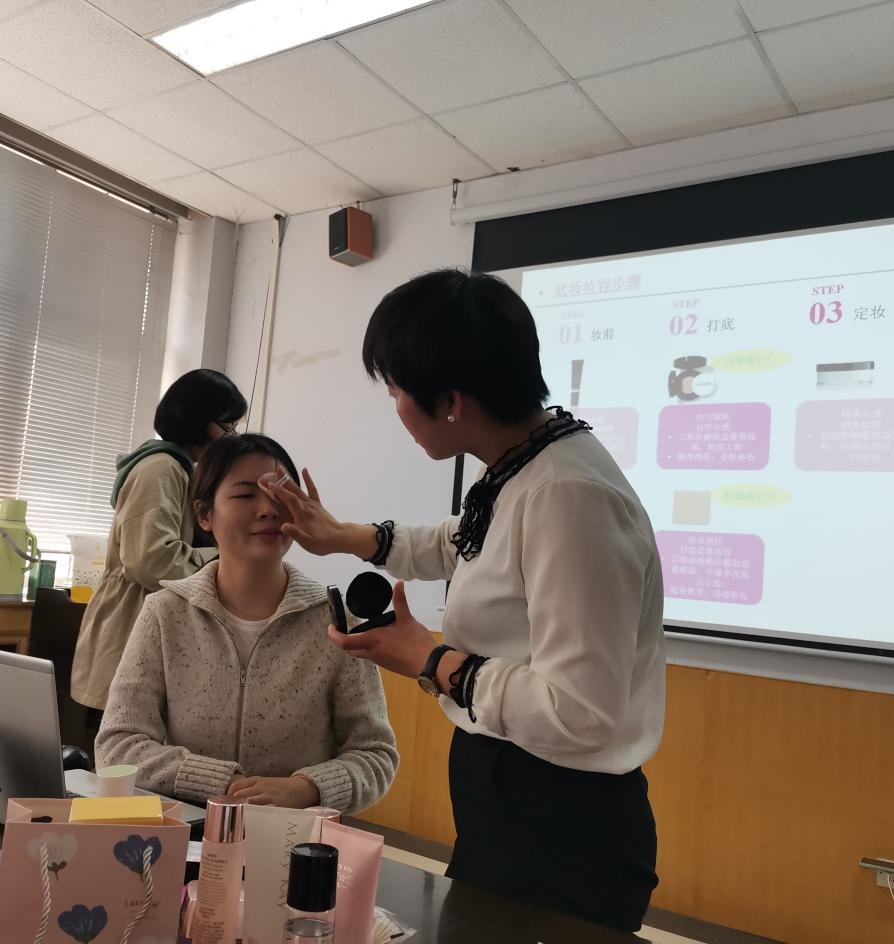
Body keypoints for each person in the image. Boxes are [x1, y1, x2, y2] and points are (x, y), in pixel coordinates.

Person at [259, 269, 665, 932]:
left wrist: (431, 659)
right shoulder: (522, 460)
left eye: (395, 390)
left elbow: (582, 713)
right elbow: (463, 541)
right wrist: (344, 537)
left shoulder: (569, 497)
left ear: (449, 400)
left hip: (561, 823)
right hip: (511, 795)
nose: (394, 406)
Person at [95, 433, 398, 813]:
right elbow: (118, 745)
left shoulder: (336, 621)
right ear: (204, 515)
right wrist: (222, 783)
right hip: (184, 831)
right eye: (245, 495)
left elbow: (375, 754)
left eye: (280, 494)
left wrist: (308, 788)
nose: (268, 509)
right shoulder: (164, 612)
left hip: (293, 836)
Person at [71, 369, 246, 712]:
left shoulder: (176, 467)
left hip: (146, 623)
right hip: (129, 626)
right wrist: (222, 559)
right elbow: (151, 560)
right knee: (127, 737)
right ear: (198, 420)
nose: (231, 437)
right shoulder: (161, 467)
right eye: (227, 426)